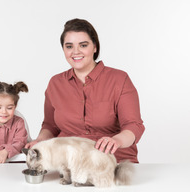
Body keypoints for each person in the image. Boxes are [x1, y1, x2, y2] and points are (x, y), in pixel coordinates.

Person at [25, 18, 145, 163]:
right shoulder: (55, 83)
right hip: (68, 164)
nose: (75, 52)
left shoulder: (119, 79)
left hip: (113, 162)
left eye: (83, 45)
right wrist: (40, 142)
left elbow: (134, 125)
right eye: (69, 46)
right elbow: (50, 126)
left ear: (95, 47)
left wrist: (116, 141)